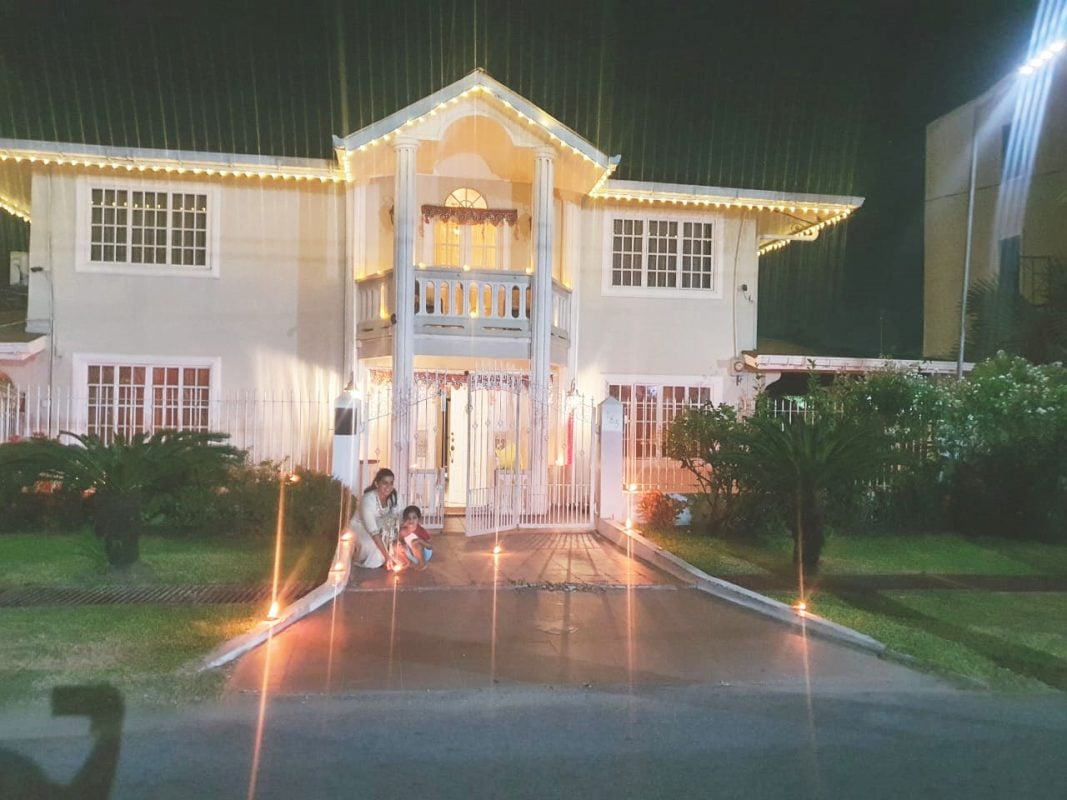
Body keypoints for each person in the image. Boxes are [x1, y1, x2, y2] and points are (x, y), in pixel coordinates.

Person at [349, 468, 400, 570]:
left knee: (393, 523)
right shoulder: (368, 500)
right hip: (360, 527)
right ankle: (371, 558)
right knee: (374, 549)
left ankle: (387, 557)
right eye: (385, 483)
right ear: (377, 484)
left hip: (379, 526)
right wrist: (386, 556)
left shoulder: (393, 497)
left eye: (391, 483)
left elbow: (395, 520)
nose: (388, 487)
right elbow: (373, 532)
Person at [399, 505, 432, 570]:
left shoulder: (421, 531)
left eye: (414, 518)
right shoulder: (403, 531)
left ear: (419, 519)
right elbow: (400, 540)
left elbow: (430, 546)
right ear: (404, 520)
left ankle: (422, 564)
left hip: (424, 555)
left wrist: (419, 540)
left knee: (415, 543)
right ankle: (407, 562)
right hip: (412, 554)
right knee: (396, 545)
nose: (411, 520)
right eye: (408, 518)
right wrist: (402, 545)